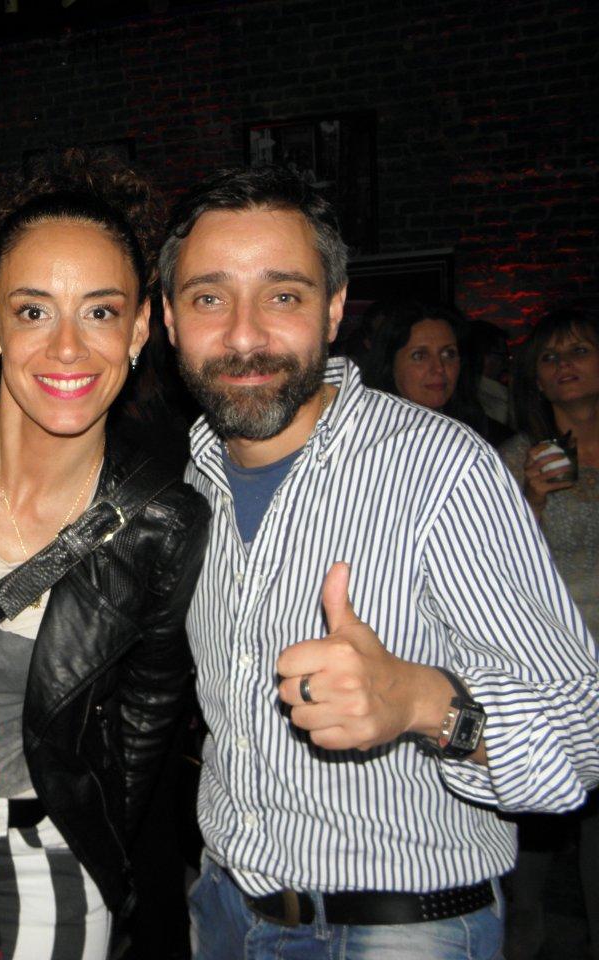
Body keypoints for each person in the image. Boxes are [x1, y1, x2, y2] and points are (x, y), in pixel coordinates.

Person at [157, 165, 599, 960]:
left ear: (332, 309)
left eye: (284, 295)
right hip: (222, 911)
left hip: (403, 930)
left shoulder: (440, 468)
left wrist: (426, 702)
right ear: (168, 318)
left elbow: (580, 737)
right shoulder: (183, 482)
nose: (246, 334)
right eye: (209, 298)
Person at [0, 152, 209, 958]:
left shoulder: (162, 523)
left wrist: (87, 843)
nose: (68, 348)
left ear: (141, 328)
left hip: (43, 865)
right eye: (34, 312)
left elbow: (143, 728)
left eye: (100, 312)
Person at [498, 304, 599, 959]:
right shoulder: (519, 454)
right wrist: (530, 498)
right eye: (551, 357)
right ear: (534, 376)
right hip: (556, 665)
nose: (564, 366)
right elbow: (499, 571)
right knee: (536, 830)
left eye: (579, 351)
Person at [361, 299, 508, 444]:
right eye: (419, 356)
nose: (439, 368)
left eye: (449, 354)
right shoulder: (364, 438)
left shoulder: (488, 438)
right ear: (390, 365)